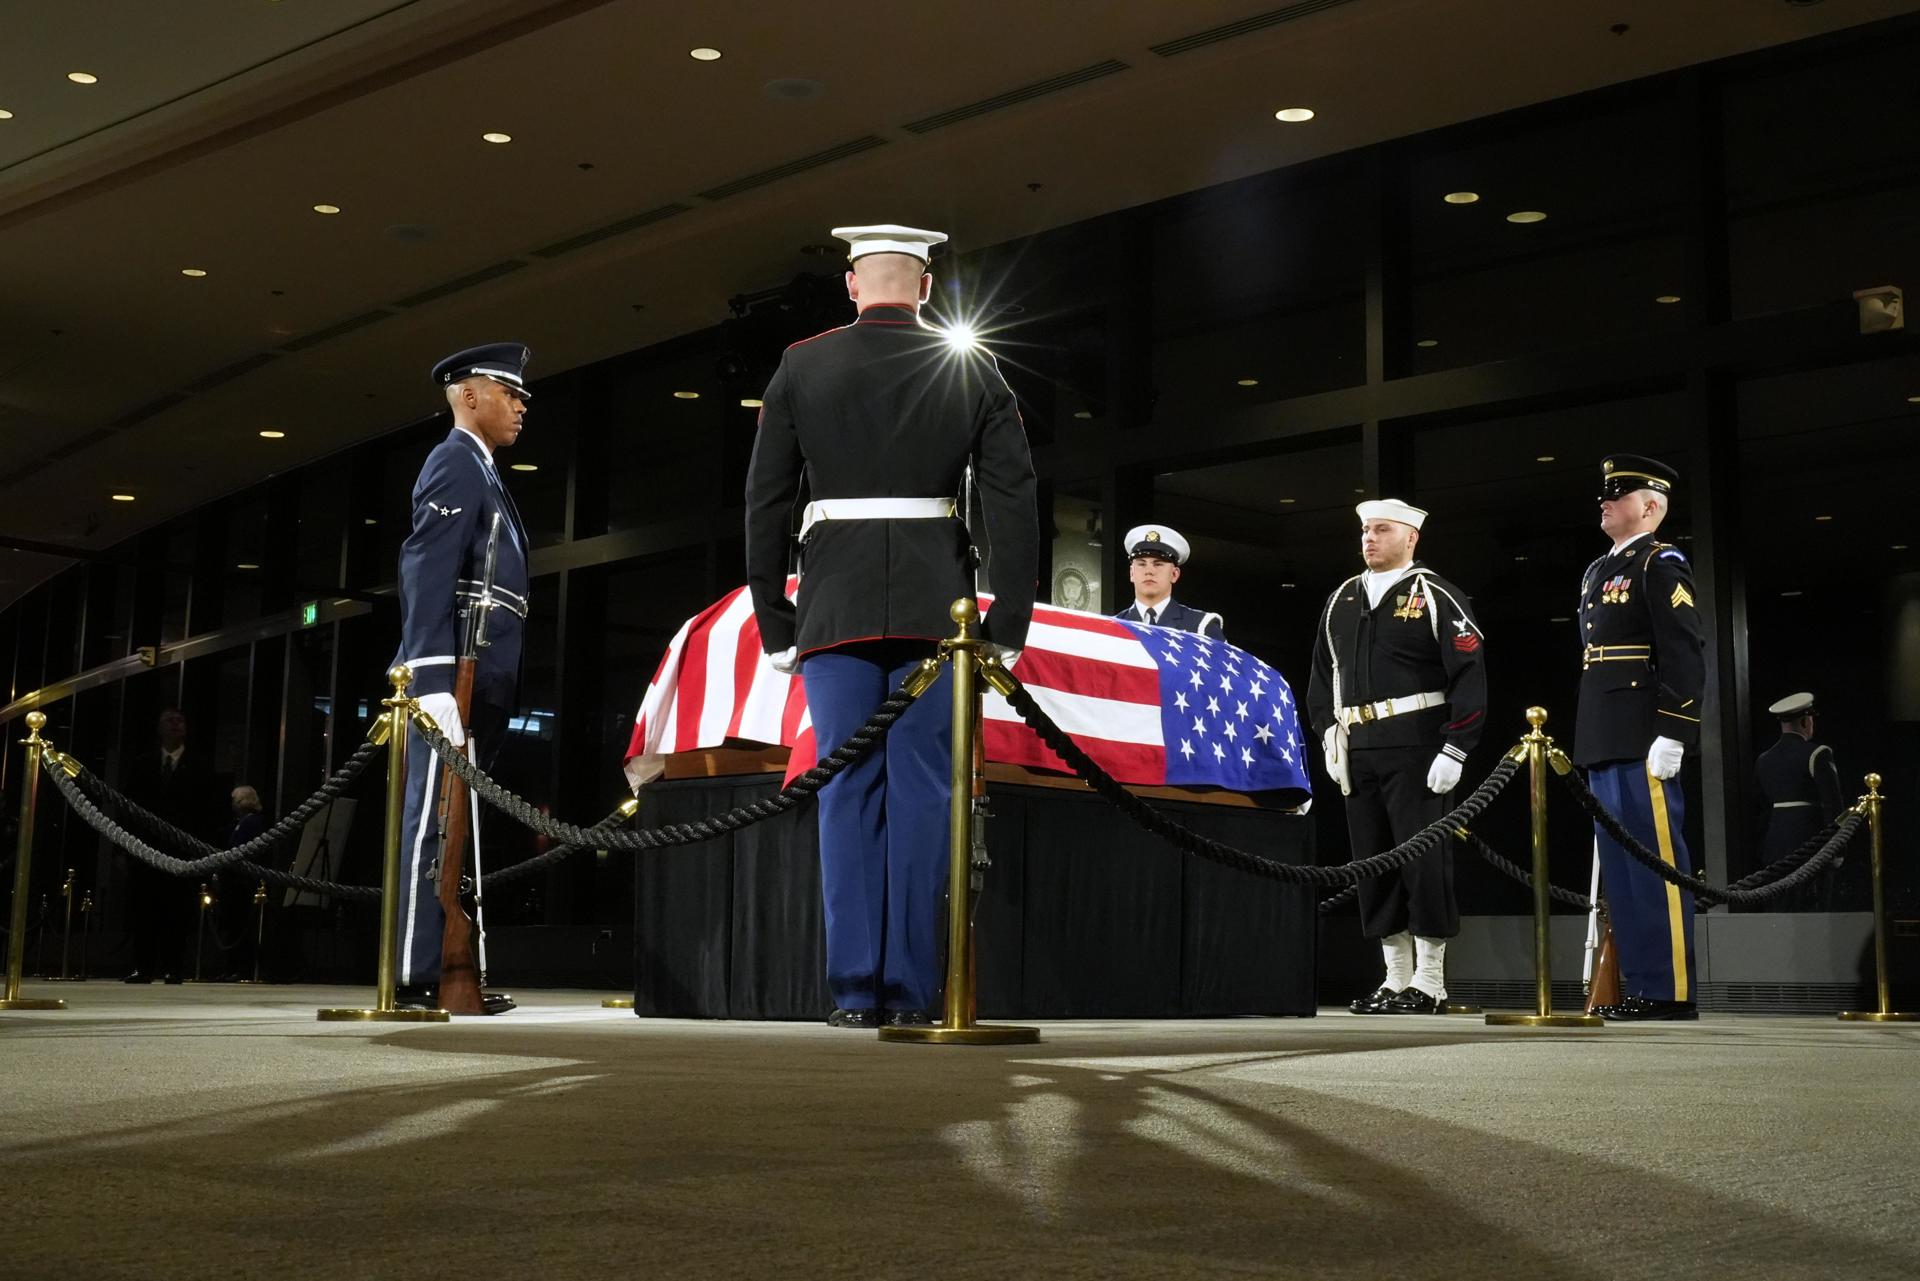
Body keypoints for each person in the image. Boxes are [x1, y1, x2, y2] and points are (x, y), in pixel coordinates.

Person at [745, 223, 1038, 1029]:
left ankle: (853, 987)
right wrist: (1007, 618)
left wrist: (775, 616)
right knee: (923, 796)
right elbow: (1013, 497)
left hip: (832, 605)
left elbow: (766, 499)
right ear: (927, 287)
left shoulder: (801, 364)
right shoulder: (972, 364)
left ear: (851, 285)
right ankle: (911, 991)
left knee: (845, 793)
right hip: (935, 607)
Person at [390, 343, 534, 1014]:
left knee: (460, 820)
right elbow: (427, 568)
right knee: (431, 820)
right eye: (509, 392)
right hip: (454, 670)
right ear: (469, 395)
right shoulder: (454, 461)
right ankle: (416, 970)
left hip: (485, 670)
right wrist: (431, 677)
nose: (520, 404)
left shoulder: (483, 470)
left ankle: (457, 968)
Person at [1308, 499, 1486, 1015]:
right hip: (1358, 748)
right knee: (1373, 864)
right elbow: (1323, 677)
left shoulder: (1436, 594)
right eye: (1365, 530)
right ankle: (1395, 977)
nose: (1368, 538)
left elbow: (1470, 676)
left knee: (1423, 862)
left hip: (1418, 746)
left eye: (1381, 530)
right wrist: (1328, 737)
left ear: (1410, 538)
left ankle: (1430, 980)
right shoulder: (1342, 596)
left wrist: (1457, 746)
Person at [1573, 455, 1707, 1021]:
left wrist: (1674, 729)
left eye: (1619, 493)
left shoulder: (1659, 562)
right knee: (1623, 874)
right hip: (1604, 729)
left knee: (1654, 866)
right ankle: (1642, 985)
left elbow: (1682, 650)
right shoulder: (1598, 569)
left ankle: (1669, 990)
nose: (1605, 500)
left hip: (1642, 731)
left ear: (1650, 506)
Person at [121, 708, 220, 984]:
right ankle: (143, 966)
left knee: (177, 911)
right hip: (145, 851)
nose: (176, 725)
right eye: (169, 721)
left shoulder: (200, 767)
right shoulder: (142, 764)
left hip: (182, 852)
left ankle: (174, 967)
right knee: (144, 909)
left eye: (180, 721)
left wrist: (201, 852)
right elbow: (127, 809)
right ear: (159, 728)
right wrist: (124, 849)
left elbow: (209, 813)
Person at [1754, 692, 1846, 910]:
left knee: (1780, 908)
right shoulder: (1818, 754)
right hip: (1811, 844)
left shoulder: (1763, 760)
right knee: (1813, 909)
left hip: (1775, 846)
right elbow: (1834, 806)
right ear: (1806, 721)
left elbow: (1760, 809)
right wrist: (1837, 850)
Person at [1113, 525, 1224, 638]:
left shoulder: (1201, 626)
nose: (1149, 571)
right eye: (1142, 564)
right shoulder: (1112, 627)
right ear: (1132, 573)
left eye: (1158, 564)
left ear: (1174, 574)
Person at [213, 786, 268, 982]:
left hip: (242, 883)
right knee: (233, 927)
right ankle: (231, 968)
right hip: (234, 882)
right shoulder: (240, 823)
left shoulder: (252, 823)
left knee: (240, 926)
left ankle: (240, 969)